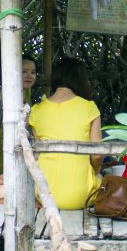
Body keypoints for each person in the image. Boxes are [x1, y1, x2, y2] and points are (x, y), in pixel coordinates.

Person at [26, 57, 102, 210]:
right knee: (102, 179)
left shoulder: (36, 110)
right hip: (83, 198)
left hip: (44, 195)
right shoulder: (89, 108)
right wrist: (92, 173)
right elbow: (98, 155)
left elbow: (36, 156)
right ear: (81, 80)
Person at [0, 54, 38, 175]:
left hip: (16, 141)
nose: (29, 76)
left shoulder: (26, 89)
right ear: (15, 73)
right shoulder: (11, 93)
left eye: (33, 72)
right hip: (3, 148)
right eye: (24, 72)